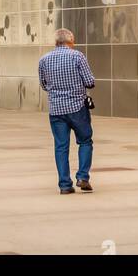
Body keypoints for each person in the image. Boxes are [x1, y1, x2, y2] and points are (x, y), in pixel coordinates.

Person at [38, 28, 95, 195]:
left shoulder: (44, 59)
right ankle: (82, 177)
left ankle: (64, 185)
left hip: (56, 109)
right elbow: (90, 81)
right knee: (85, 141)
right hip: (77, 108)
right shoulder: (77, 56)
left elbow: (43, 84)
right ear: (71, 41)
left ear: (56, 42)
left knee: (61, 146)